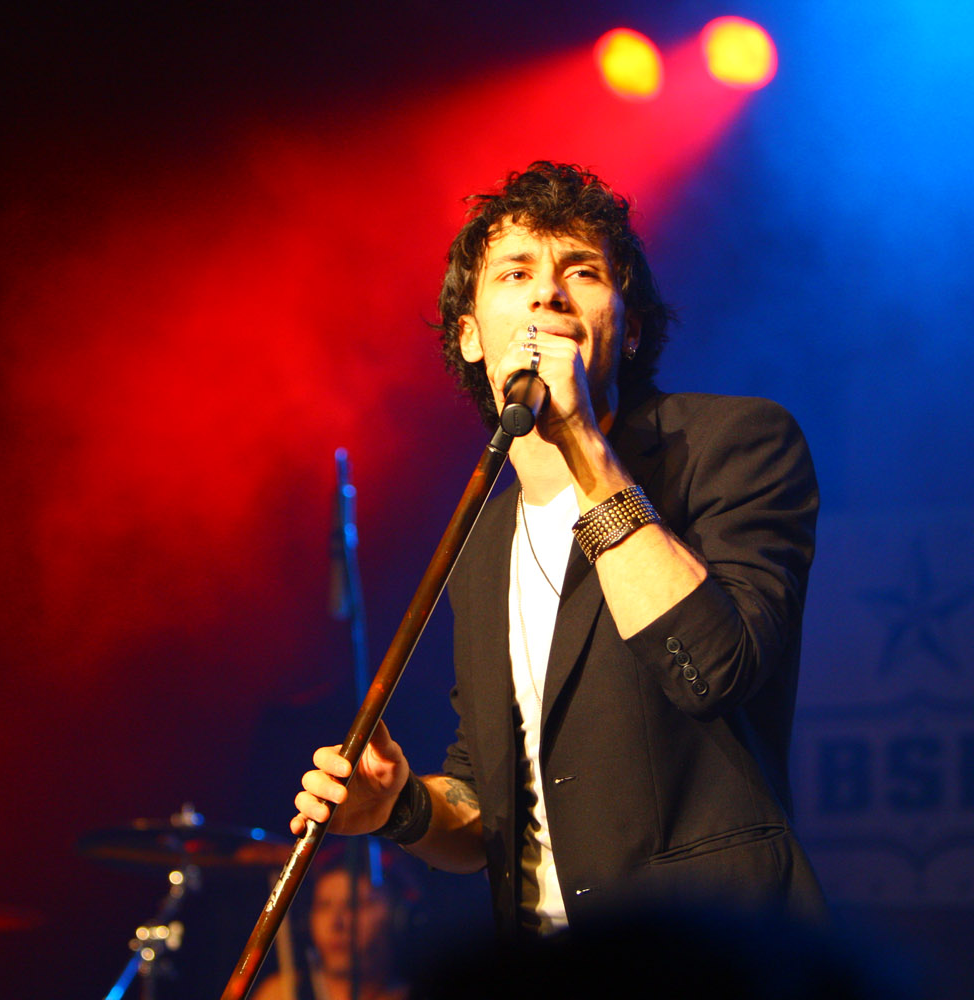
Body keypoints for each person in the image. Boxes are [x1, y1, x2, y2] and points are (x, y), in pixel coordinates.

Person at [293, 161, 823, 936]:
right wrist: (400, 807)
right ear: (471, 337)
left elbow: (715, 671)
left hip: (713, 953)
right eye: (516, 273)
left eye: (581, 271)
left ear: (630, 329)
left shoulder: (732, 444)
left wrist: (578, 436)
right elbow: (490, 804)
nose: (547, 294)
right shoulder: (481, 540)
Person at [249, 848, 411, 1000]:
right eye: (323, 905)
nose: (336, 923)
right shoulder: (279, 993)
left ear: (397, 916)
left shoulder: (418, 992)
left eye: (354, 905)